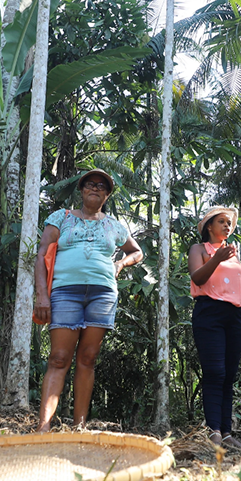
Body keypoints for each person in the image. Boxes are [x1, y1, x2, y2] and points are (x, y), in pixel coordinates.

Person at [34, 169, 144, 433]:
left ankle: (79, 426)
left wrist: (120, 264)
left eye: (101, 186)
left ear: (107, 195)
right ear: (82, 190)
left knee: (88, 357)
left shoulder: (115, 226)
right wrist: (41, 295)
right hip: (64, 292)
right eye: (90, 184)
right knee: (59, 358)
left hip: (103, 294)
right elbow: (41, 255)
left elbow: (137, 251)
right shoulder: (61, 217)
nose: (95, 188)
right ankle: (44, 427)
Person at [188, 206, 241, 450]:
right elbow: (197, 278)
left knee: (229, 376)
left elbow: (239, 288)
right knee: (215, 372)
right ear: (209, 226)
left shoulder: (233, 255)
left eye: (228, 223)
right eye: (221, 222)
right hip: (209, 313)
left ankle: (226, 432)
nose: (226, 226)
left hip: (237, 315)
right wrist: (216, 259)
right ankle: (213, 432)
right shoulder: (199, 249)